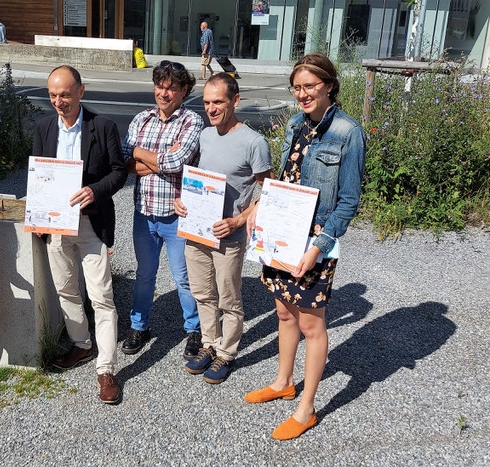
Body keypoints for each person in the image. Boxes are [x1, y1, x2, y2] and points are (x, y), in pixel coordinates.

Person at [244, 52, 366, 440]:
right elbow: (285, 179)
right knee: (283, 314)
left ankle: (307, 407)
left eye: (310, 86)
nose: (302, 94)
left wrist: (318, 246)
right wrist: (259, 205)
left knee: (312, 325)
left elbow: (348, 201)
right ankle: (283, 382)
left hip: (314, 242)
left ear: (329, 85)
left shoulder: (348, 132)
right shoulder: (296, 124)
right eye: (297, 88)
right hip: (283, 235)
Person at [33, 65, 127, 404]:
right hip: (56, 224)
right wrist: (38, 212)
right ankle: (82, 345)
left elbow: (119, 173)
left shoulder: (102, 127)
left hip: (91, 223)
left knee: (101, 296)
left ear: (81, 92)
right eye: (53, 95)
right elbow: (39, 171)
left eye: (65, 95)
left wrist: (94, 191)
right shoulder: (44, 127)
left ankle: (106, 369)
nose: (59, 101)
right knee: (65, 289)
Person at [175, 73, 272, 383]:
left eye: (218, 102)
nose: (211, 108)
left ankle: (227, 353)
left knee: (229, 298)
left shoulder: (254, 142)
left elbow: (269, 192)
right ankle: (209, 344)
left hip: (228, 235)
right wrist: (183, 201)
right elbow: (201, 181)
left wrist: (239, 220)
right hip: (198, 231)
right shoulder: (205, 136)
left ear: (235, 101)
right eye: (206, 102)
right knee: (203, 293)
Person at [121, 60, 205, 361]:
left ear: (184, 91)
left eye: (171, 88)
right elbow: (125, 162)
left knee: (184, 277)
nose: (164, 93)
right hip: (144, 212)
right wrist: (156, 160)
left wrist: (140, 155)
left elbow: (177, 163)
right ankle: (138, 326)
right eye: (160, 86)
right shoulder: (142, 118)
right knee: (145, 274)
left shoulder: (192, 121)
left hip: (177, 215)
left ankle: (195, 330)